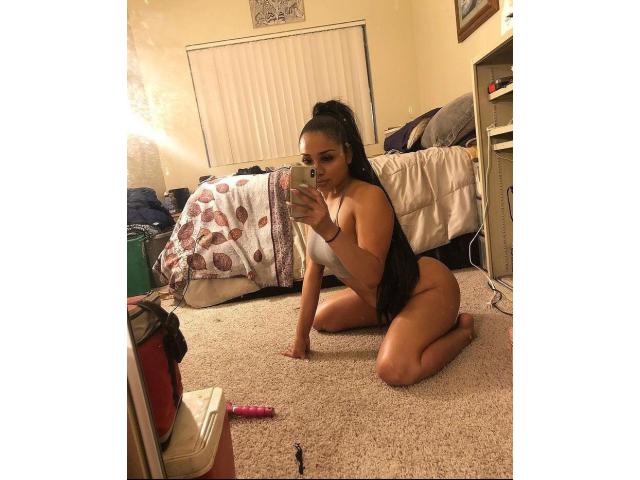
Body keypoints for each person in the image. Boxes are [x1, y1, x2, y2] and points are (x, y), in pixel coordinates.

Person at [281, 100, 476, 386]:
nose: (317, 170)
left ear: (348, 154)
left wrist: (327, 228)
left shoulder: (367, 197)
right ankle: (401, 321)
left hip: (427, 289)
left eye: (327, 158)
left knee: (395, 369)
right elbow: (313, 272)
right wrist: (300, 338)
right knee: (322, 319)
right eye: (308, 161)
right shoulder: (322, 200)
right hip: (385, 299)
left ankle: (463, 332)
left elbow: (372, 275)